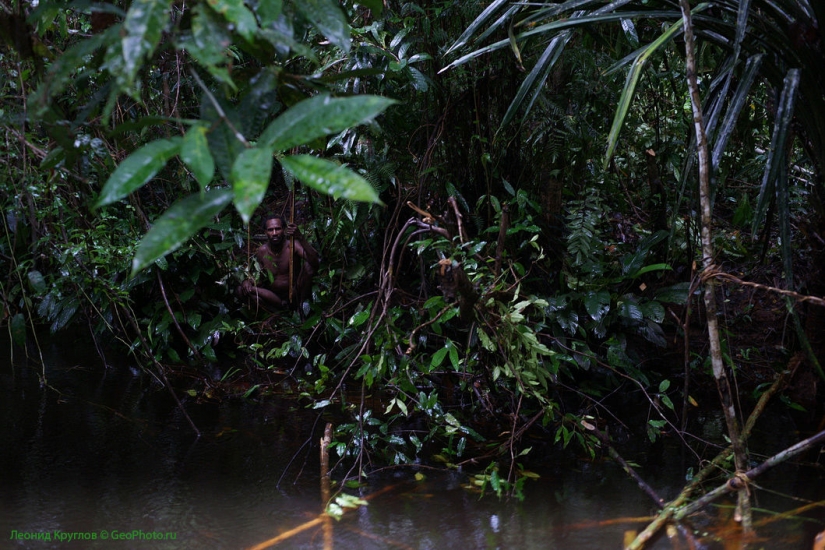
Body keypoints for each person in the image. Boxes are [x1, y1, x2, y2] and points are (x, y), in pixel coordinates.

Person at [236, 214, 320, 309]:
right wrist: (248, 282)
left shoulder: (293, 246)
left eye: (278, 229)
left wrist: (300, 237)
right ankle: (274, 312)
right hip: (273, 297)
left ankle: (300, 307)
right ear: (265, 232)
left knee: (308, 266)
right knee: (241, 290)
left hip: (295, 293)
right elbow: (261, 278)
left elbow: (314, 263)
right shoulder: (262, 251)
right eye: (270, 230)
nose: (274, 233)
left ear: (284, 230)